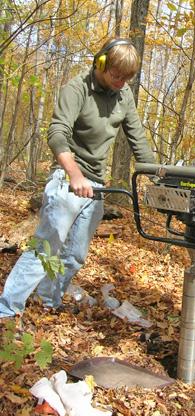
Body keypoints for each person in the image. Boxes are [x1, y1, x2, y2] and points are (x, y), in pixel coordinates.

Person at [0, 38, 155, 317]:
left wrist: (157, 176)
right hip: (68, 177)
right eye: (116, 75)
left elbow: (138, 138)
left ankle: (49, 301)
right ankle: (6, 310)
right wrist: (74, 174)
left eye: (126, 77)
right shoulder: (77, 88)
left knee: (75, 255)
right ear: (102, 63)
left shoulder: (124, 95)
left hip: (96, 185)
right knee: (46, 247)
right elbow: (57, 133)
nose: (120, 81)